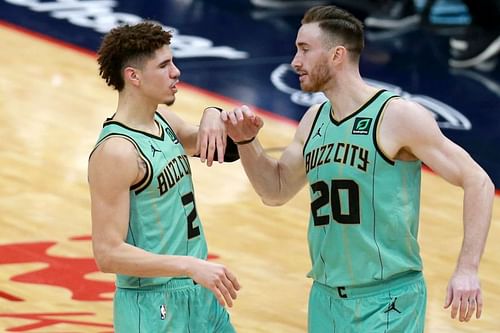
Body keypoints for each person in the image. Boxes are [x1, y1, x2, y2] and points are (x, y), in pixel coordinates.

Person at [221, 5, 494, 332]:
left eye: (304, 50)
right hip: (325, 298)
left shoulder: (397, 116)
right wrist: (247, 143)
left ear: (337, 55)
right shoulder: (313, 121)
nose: (295, 61)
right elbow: (275, 191)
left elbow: (478, 180)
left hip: (388, 300)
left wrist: (467, 268)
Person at [87, 22, 240, 332]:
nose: (176, 72)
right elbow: (107, 253)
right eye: (165, 65)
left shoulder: (164, 120)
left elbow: (222, 146)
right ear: (134, 77)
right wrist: (188, 265)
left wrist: (213, 111)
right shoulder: (116, 152)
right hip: (153, 304)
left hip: (199, 293)